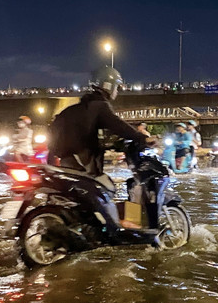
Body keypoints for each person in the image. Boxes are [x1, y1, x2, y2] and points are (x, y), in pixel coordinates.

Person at [47, 66, 154, 238]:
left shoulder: (82, 108)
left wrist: (111, 144)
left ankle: (99, 228)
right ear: (109, 85)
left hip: (67, 163)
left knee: (105, 191)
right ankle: (121, 232)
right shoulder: (100, 105)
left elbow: (96, 134)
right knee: (109, 189)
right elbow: (118, 125)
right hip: (82, 165)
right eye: (116, 87)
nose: (117, 91)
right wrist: (141, 137)